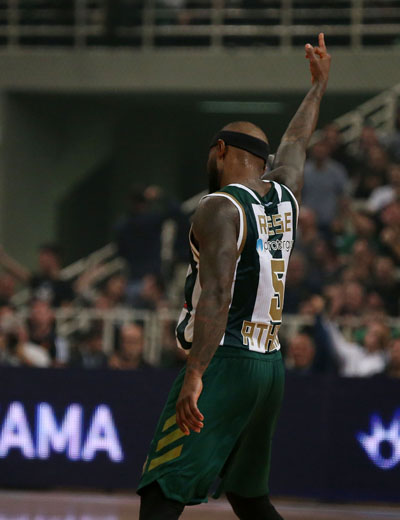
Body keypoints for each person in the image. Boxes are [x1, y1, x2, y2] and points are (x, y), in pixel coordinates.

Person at [137, 33, 331, 520]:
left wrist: (195, 374)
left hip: (225, 359)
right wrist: (317, 88)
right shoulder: (284, 195)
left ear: (221, 150)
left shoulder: (219, 207)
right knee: (248, 497)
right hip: (269, 366)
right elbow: (295, 144)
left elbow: (218, 295)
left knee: (162, 488)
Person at [0, 243, 75, 307]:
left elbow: (67, 308)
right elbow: (17, 271)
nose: (41, 259)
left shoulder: (64, 285)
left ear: (54, 258)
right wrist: (2, 256)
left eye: (45, 256)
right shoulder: (38, 280)